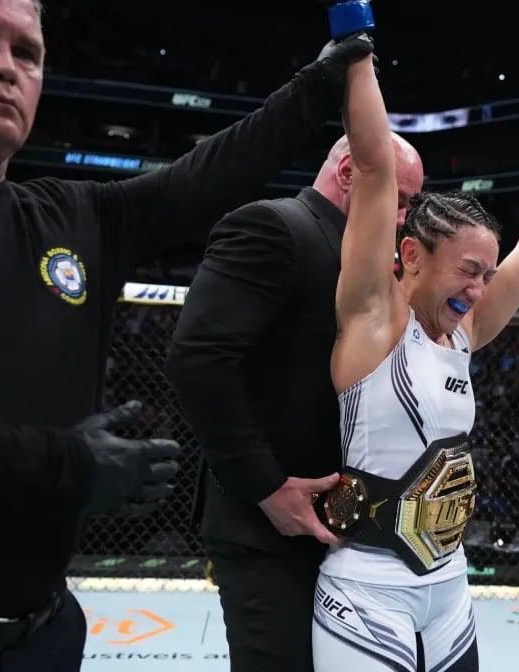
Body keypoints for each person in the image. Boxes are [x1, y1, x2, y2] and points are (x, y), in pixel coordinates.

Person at [0, 0, 372, 669]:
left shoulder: (64, 216)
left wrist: (317, 87)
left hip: (44, 633)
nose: (4, 67)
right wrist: (68, 468)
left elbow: (201, 182)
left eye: (27, 53)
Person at [309, 52, 519, 671]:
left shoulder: (464, 331)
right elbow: (374, 166)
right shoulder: (374, 323)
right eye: (467, 271)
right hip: (369, 591)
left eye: (486, 273)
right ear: (412, 254)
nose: (480, 289)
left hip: (450, 588)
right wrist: (356, 50)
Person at [165, 79, 424, 672]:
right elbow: (199, 358)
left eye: (409, 202)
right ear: (347, 173)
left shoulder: (379, 269)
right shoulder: (273, 227)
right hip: (267, 528)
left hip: (347, 533)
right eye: (399, 195)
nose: (403, 214)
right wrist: (266, 486)